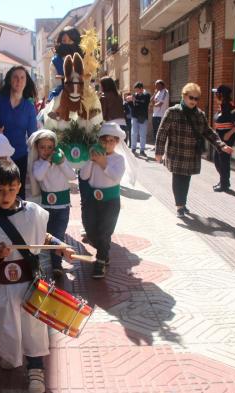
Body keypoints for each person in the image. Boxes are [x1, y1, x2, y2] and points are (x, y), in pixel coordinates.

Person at [0, 160, 74, 393]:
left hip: (29, 284)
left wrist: (62, 247)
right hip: (2, 286)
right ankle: (10, 352)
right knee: (4, 326)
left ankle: (36, 369)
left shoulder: (33, 213)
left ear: (19, 186)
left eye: (10, 189)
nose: (5, 195)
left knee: (33, 328)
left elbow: (44, 237)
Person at [155, 83, 233, 218]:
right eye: (191, 98)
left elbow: (208, 132)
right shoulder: (172, 112)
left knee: (186, 179)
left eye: (196, 99)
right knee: (178, 177)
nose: (193, 101)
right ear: (184, 96)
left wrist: (221, 145)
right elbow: (162, 132)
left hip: (192, 154)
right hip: (176, 153)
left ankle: (182, 203)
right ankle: (179, 206)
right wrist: (159, 151)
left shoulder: (199, 114)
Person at [0, 66, 37, 199]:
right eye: (15, 77)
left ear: (26, 81)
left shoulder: (29, 107)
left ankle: (18, 219)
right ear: (9, 80)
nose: (19, 81)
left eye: (22, 78)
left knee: (18, 194)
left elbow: (33, 136)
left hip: (19, 156)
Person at [80, 123, 126, 279]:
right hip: (93, 200)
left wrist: (102, 163)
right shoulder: (93, 156)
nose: (107, 144)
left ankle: (100, 261)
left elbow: (116, 176)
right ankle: (104, 252)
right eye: (104, 140)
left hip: (111, 201)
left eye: (112, 141)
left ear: (117, 142)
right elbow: (84, 176)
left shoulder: (118, 159)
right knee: (91, 229)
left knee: (105, 231)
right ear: (99, 141)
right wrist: (90, 160)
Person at [27, 129, 75, 278]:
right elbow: (39, 176)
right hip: (46, 207)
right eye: (43, 147)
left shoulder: (61, 160)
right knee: (46, 236)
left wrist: (61, 162)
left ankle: (56, 265)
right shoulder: (38, 164)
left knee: (58, 235)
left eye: (50, 147)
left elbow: (72, 176)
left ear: (55, 147)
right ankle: (38, 263)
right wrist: (48, 161)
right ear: (37, 148)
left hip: (62, 207)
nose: (46, 150)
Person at [212, 85, 235, 192]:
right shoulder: (221, 106)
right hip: (219, 136)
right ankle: (224, 181)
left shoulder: (230, 106)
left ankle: (224, 184)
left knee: (223, 161)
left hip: (226, 137)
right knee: (217, 160)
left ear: (221, 95)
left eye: (216, 94)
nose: (215, 96)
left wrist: (229, 133)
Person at [48, 26, 83, 101]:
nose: (67, 43)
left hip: (82, 92)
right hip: (61, 93)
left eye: (70, 40)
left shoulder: (83, 58)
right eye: (64, 41)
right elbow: (54, 82)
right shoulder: (55, 61)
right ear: (60, 42)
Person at [128, 82, 151, 158]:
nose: (136, 91)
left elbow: (144, 104)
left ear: (141, 88)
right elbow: (132, 107)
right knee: (133, 133)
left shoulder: (146, 95)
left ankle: (142, 150)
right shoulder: (134, 95)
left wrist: (135, 100)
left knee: (142, 134)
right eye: (136, 90)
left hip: (143, 117)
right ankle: (133, 148)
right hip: (135, 116)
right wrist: (130, 102)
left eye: (137, 89)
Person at [151, 80, 169, 149]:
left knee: (160, 131)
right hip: (155, 114)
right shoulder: (157, 92)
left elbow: (160, 103)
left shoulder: (165, 92)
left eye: (157, 85)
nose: (156, 86)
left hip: (161, 115)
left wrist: (153, 105)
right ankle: (156, 145)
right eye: (155, 85)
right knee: (155, 131)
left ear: (162, 85)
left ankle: (161, 146)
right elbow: (151, 100)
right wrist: (154, 93)